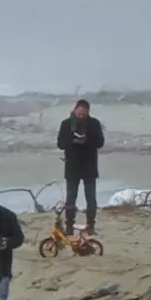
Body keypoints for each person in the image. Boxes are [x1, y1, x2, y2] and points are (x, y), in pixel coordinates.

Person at [56, 99, 106, 235]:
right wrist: (72, 141)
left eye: (85, 113)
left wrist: (86, 141)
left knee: (91, 198)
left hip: (89, 165)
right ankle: (69, 226)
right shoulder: (66, 124)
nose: (82, 115)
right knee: (71, 198)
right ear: (75, 109)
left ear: (88, 112)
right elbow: (60, 144)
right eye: (80, 112)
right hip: (72, 165)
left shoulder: (94, 124)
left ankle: (90, 226)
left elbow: (100, 142)